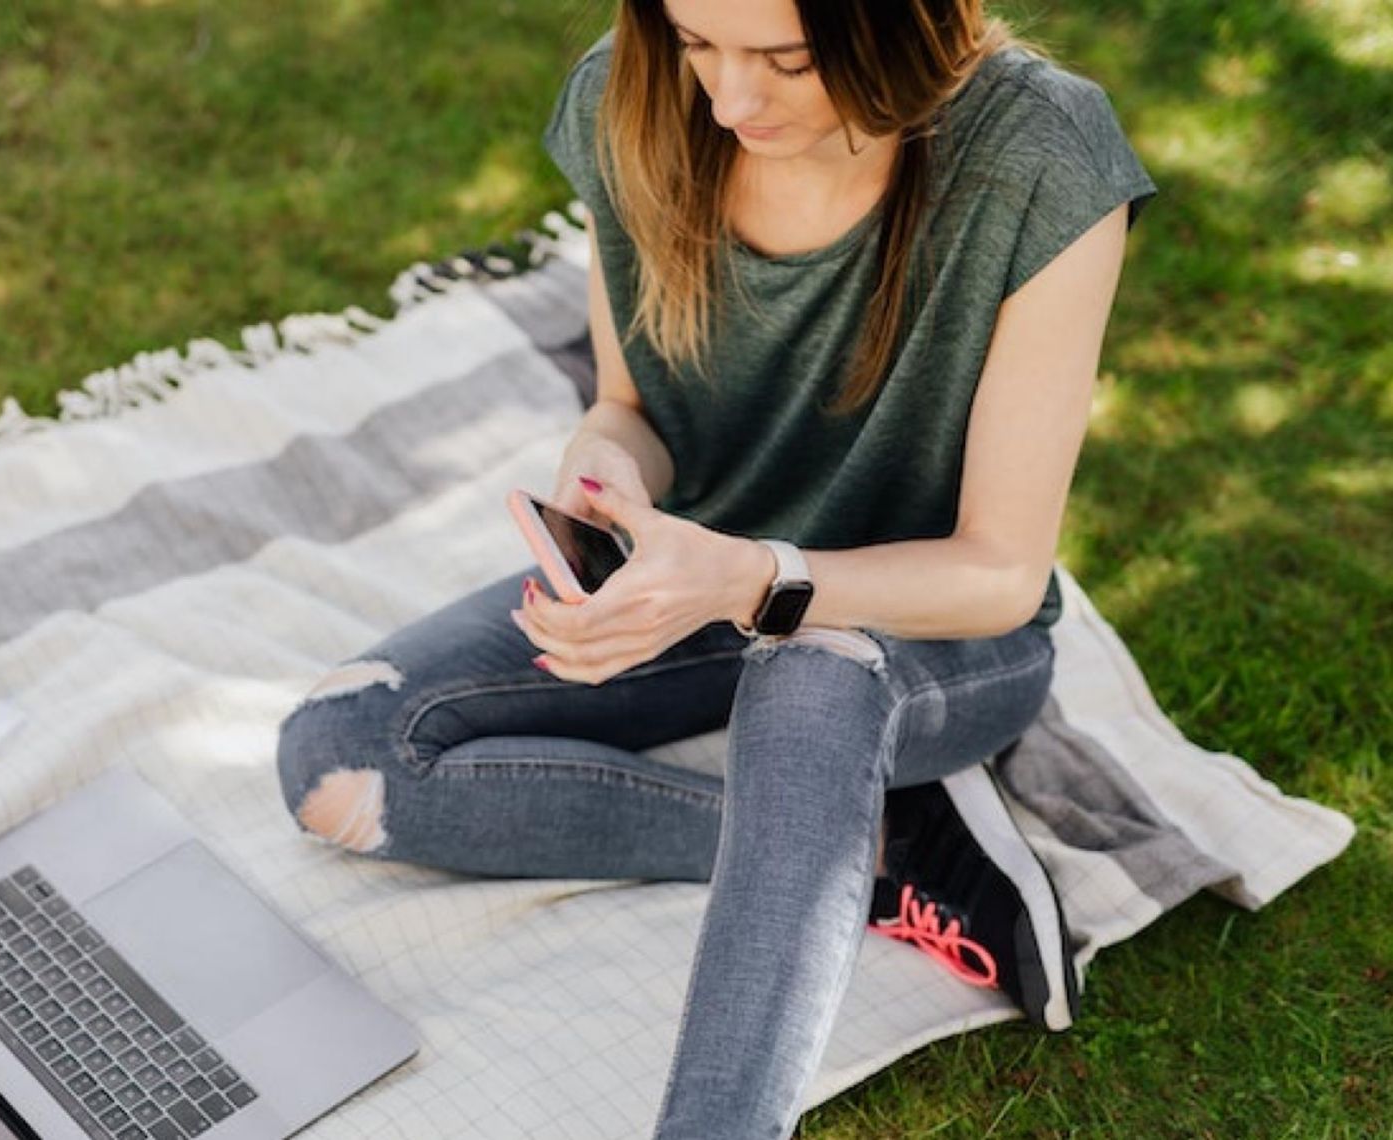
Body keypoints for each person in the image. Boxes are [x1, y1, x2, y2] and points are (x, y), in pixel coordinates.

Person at [276, 0, 1155, 1134]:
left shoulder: (1040, 152)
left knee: (808, 669)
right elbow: (629, 407)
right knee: (339, 754)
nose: (730, 102)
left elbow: (995, 572)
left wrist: (750, 582)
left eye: (786, 60)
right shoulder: (628, 99)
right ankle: (883, 849)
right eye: (698, 44)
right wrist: (604, 481)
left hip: (930, 628)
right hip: (696, 572)